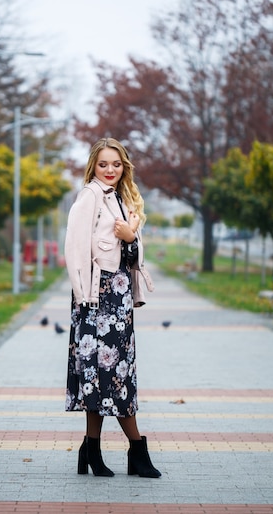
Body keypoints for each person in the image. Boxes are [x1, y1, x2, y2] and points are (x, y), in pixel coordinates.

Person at [64, 137, 161, 478]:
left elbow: (130, 256)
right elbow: (74, 248)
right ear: (94, 166)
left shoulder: (121, 198)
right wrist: (83, 297)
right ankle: (137, 451)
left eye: (116, 164)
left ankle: (90, 451)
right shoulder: (89, 197)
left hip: (118, 301)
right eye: (104, 164)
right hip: (96, 300)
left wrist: (130, 236)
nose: (110, 170)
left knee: (105, 376)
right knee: (107, 376)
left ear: (124, 166)